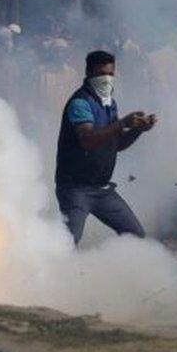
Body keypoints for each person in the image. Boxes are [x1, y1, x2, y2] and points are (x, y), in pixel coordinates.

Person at [55, 50, 156, 244]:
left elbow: (116, 144)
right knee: (69, 241)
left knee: (135, 236)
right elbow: (88, 140)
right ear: (89, 74)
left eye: (111, 74)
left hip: (103, 189)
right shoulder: (80, 103)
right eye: (101, 74)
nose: (107, 79)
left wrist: (139, 129)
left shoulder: (110, 104)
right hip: (76, 189)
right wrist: (123, 123)